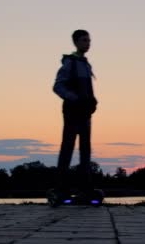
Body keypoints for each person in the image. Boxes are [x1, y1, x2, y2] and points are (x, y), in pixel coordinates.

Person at [52, 29, 98, 193]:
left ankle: (85, 187)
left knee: (85, 149)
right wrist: (74, 98)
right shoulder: (70, 62)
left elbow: (87, 90)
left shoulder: (86, 64)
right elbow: (57, 86)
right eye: (85, 40)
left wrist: (92, 101)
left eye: (89, 40)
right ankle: (61, 187)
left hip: (85, 113)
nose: (88, 43)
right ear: (76, 42)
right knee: (68, 148)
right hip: (72, 112)